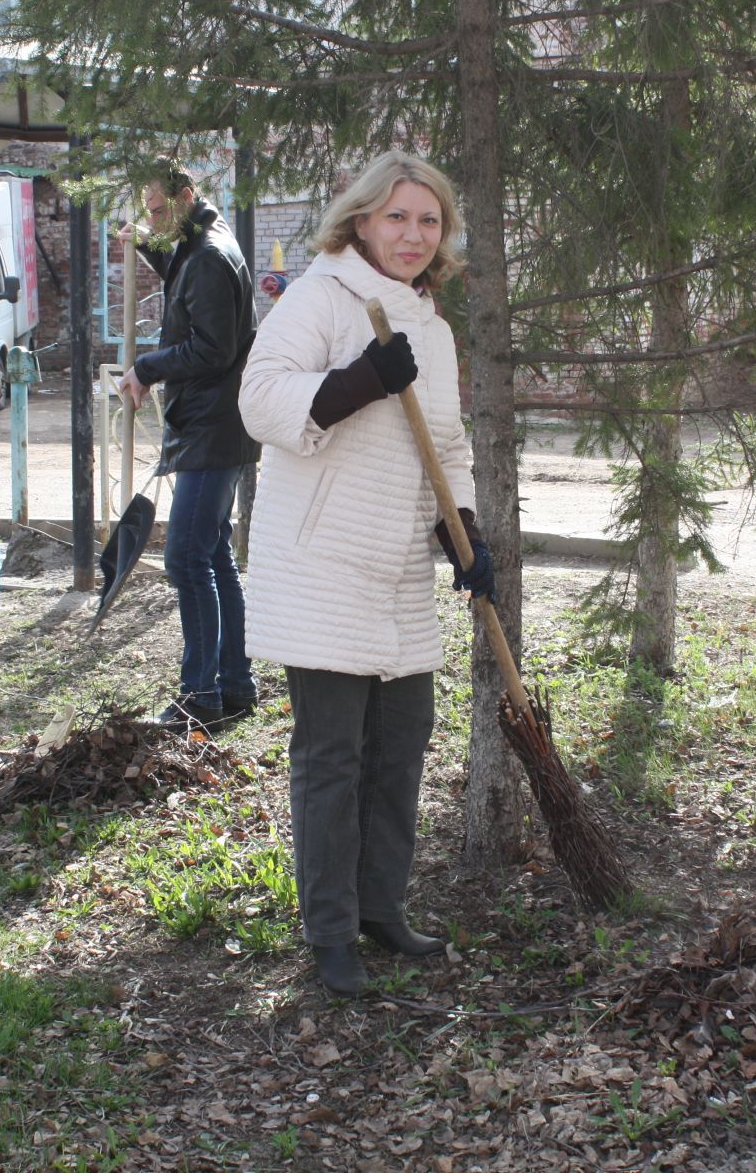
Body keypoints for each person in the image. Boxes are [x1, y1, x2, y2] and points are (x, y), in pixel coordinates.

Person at [238, 152, 495, 997]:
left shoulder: (432, 325)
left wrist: (465, 531)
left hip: (395, 573)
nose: (414, 235)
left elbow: (445, 444)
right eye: (397, 217)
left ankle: (382, 905)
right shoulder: (321, 296)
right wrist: (354, 383)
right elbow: (261, 398)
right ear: (360, 222)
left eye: (429, 221)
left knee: (400, 748)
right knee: (332, 755)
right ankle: (330, 932)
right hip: (321, 565)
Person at [117, 160, 260, 730]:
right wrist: (149, 245)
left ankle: (200, 696)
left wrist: (146, 366)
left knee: (185, 558)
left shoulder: (206, 256)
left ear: (184, 195)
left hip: (211, 428)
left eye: (156, 209)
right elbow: (187, 278)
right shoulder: (203, 240)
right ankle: (235, 684)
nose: (150, 218)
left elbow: (212, 349)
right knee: (213, 553)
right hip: (217, 424)